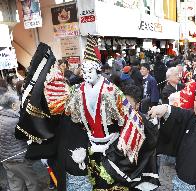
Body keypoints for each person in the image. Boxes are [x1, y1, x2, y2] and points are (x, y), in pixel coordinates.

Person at [16, 40, 160, 191]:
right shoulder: (74, 92)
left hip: (107, 154)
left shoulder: (110, 91)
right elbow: (56, 108)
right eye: (85, 69)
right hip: (79, 155)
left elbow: (131, 117)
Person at [0, 92, 40, 191]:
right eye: (18, 102)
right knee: (32, 183)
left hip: (5, 159)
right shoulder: (16, 121)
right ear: (13, 105)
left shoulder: (1, 119)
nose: (20, 104)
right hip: (19, 159)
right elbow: (31, 136)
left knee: (15, 185)